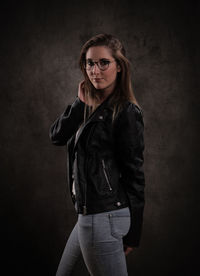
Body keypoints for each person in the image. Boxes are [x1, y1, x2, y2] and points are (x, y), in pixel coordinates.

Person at [49, 33, 145, 276]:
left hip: (104, 216)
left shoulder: (125, 112)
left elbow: (134, 174)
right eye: (90, 63)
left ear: (119, 67)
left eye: (104, 62)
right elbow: (57, 136)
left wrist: (133, 234)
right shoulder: (89, 106)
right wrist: (79, 103)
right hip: (89, 213)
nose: (95, 70)